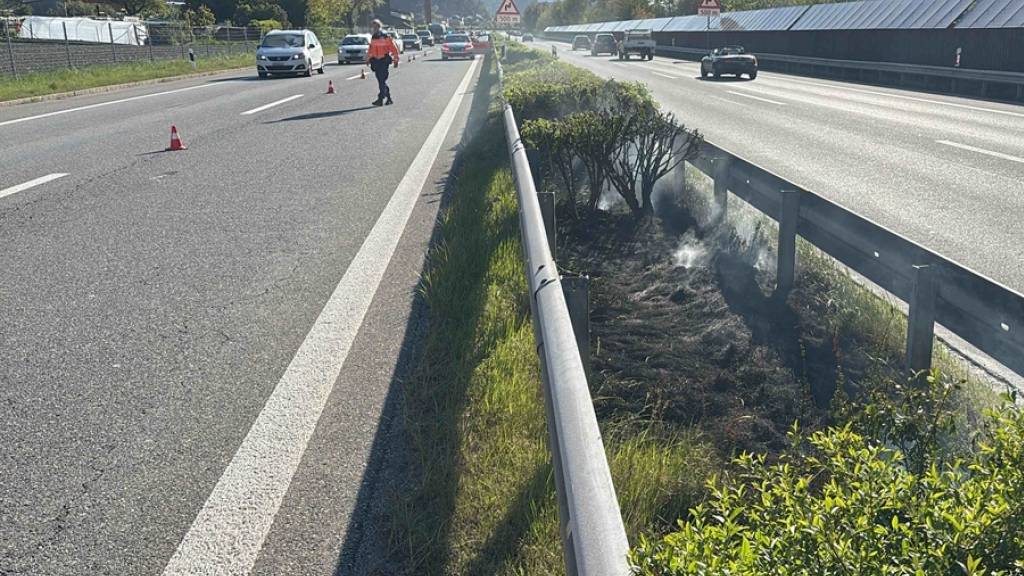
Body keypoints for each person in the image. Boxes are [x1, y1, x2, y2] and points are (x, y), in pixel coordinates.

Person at [366, 20, 400, 106]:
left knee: (381, 80)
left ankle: (380, 99)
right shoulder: (374, 37)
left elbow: (394, 48)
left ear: (378, 26)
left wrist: (396, 60)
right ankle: (388, 98)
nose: (373, 28)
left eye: (375, 27)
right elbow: (371, 49)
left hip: (383, 61)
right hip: (376, 61)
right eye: (372, 27)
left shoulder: (385, 36)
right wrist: (368, 59)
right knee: (381, 81)